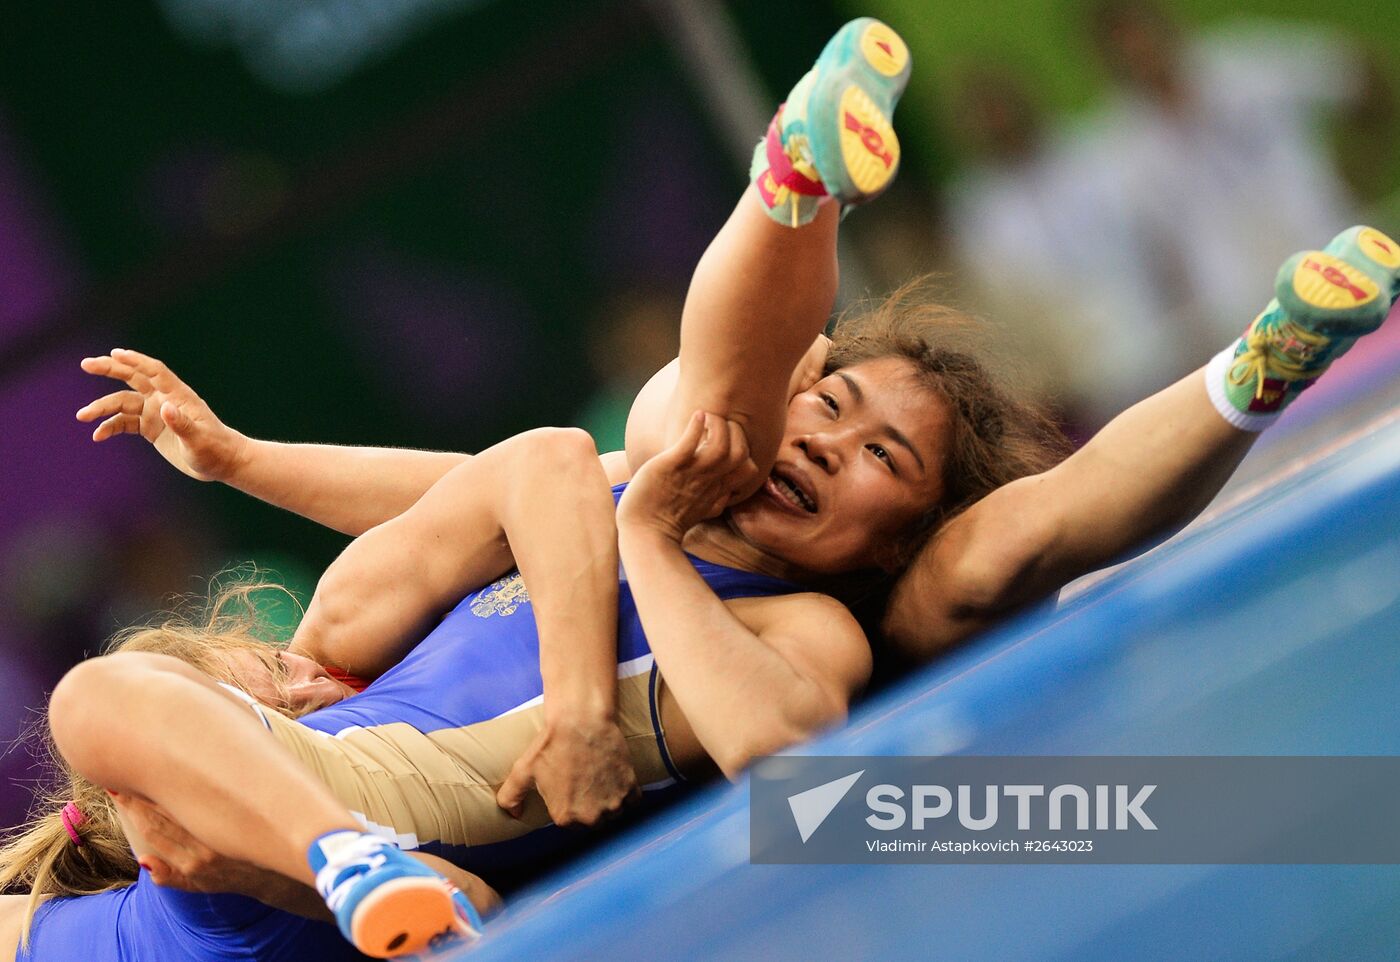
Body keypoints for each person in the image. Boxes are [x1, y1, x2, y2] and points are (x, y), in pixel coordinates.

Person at [19, 15, 1400, 962]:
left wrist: (650, 538)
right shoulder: (640, 473)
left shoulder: (821, 614)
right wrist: (246, 465)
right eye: (835, 409)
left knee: (957, 536)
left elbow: (778, 747)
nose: (831, 446)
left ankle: (1238, 370)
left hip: (388, 827)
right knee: (688, 425)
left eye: (881, 464)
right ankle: (794, 188)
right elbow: (479, 481)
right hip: (247, 858)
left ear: (894, 529)